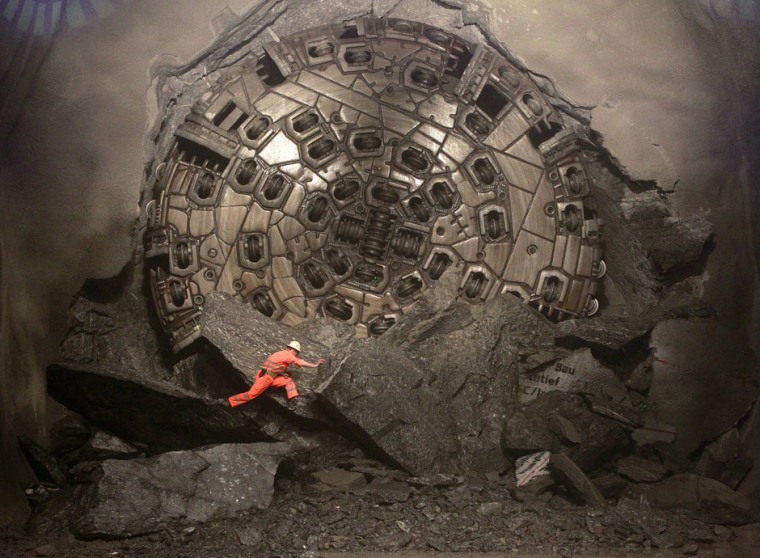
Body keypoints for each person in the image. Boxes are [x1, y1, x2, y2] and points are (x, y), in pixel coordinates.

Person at [228, 340, 325, 407]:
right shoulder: (288, 355)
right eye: (296, 352)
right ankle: (231, 401)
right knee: (251, 394)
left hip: (269, 377)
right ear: (293, 350)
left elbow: (274, 366)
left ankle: (292, 399)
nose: (296, 354)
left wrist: (282, 375)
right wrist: (315, 365)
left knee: (288, 381)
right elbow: (300, 362)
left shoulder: (281, 353)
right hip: (266, 378)